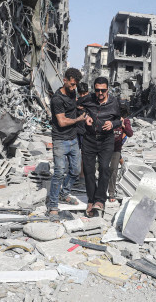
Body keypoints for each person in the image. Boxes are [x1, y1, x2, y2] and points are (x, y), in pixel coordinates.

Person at [79, 76, 121, 217]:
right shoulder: (88, 98)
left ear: (107, 89)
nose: (100, 94)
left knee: (104, 168)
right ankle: (91, 200)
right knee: (88, 170)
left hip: (106, 140)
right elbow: (76, 107)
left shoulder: (114, 102)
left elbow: (120, 120)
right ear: (94, 89)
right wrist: (85, 117)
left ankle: (100, 200)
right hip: (89, 139)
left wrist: (112, 124)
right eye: (97, 90)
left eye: (103, 90)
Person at [47, 68, 86, 218]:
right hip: (60, 140)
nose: (74, 88)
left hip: (73, 138)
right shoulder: (57, 99)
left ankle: (65, 193)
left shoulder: (72, 92)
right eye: (71, 84)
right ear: (64, 80)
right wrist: (78, 119)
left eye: (75, 85)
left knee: (75, 170)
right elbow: (62, 122)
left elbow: (71, 107)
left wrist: (77, 108)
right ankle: (53, 205)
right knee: (59, 172)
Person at [108, 105, 133, 202]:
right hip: (105, 147)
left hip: (116, 148)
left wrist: (123, 125)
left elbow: (130, 133)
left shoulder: (126, 121)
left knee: (113, 169)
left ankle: (111, 193)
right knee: (103, 168)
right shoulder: (110, 118)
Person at [76, 82, 89, 179]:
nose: (82, 96)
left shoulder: (91, 103)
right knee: (75, 153)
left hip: (87, 132)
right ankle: (76, 172)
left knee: (85, 154)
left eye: (84, 94)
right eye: (81, 94)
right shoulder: (75, 102)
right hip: (76, 132)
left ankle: (82, 174)